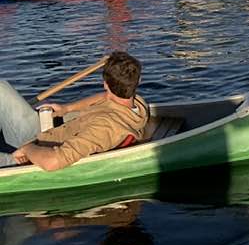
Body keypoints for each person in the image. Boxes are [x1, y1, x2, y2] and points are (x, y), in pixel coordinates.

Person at [1, 53, 148, 170]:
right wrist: (67, 109)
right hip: (47, 133)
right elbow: (103, 96)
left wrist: (27, 149)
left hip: (34, 151)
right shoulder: (138, 104)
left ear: (105, 84)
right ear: (138, 80)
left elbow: (53, 162)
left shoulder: (104, 127)